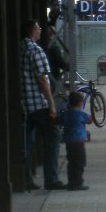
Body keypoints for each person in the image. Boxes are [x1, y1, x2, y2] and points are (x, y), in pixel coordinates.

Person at [20, 19, 65, 191]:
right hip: (38, 104)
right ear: (32, 31)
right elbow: (42, 80)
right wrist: (52, 104)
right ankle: (51, 179)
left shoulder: (21, 48)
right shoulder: (36, 50)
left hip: (24, 104)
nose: (40, 31)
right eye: (38, 28)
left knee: (26, 143)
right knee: (53, 136)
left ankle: (26, 179)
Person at [59, 91, 91, 191]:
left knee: (71, 162)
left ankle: (71, 182)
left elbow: (57, 120)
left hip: (69, 142)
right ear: (80, 103)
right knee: (80, 162)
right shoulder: (81, 114)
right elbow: (90, 120)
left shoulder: (66, 114)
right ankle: (77, 183)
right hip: (79, 142)